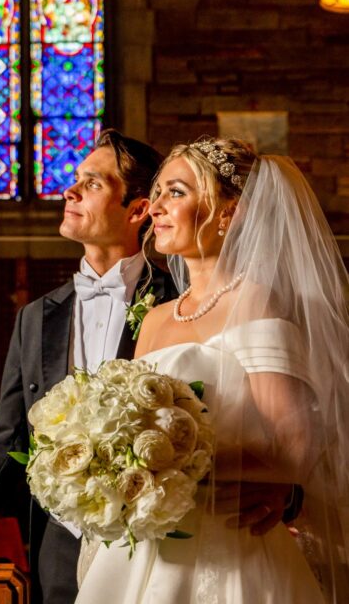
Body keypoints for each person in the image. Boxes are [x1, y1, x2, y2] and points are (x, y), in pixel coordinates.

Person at [0, 131, 294, 602]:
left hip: (174, 541)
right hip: (58, 550)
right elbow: (8, 442)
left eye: (92, 183)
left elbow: (266, 420)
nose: (69, 192)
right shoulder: (36, 318)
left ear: (137, 210)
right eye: (76, 180)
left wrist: (286, 492)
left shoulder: (190, 301)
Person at [75, 138, 349, 604]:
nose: (155, 207)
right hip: (145, 541)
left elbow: (295, 445)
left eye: (175, 192)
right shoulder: (155, 317)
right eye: (156, 193)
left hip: (227, 540)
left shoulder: (256, 302)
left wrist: (169, 469)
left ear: (229, 214)